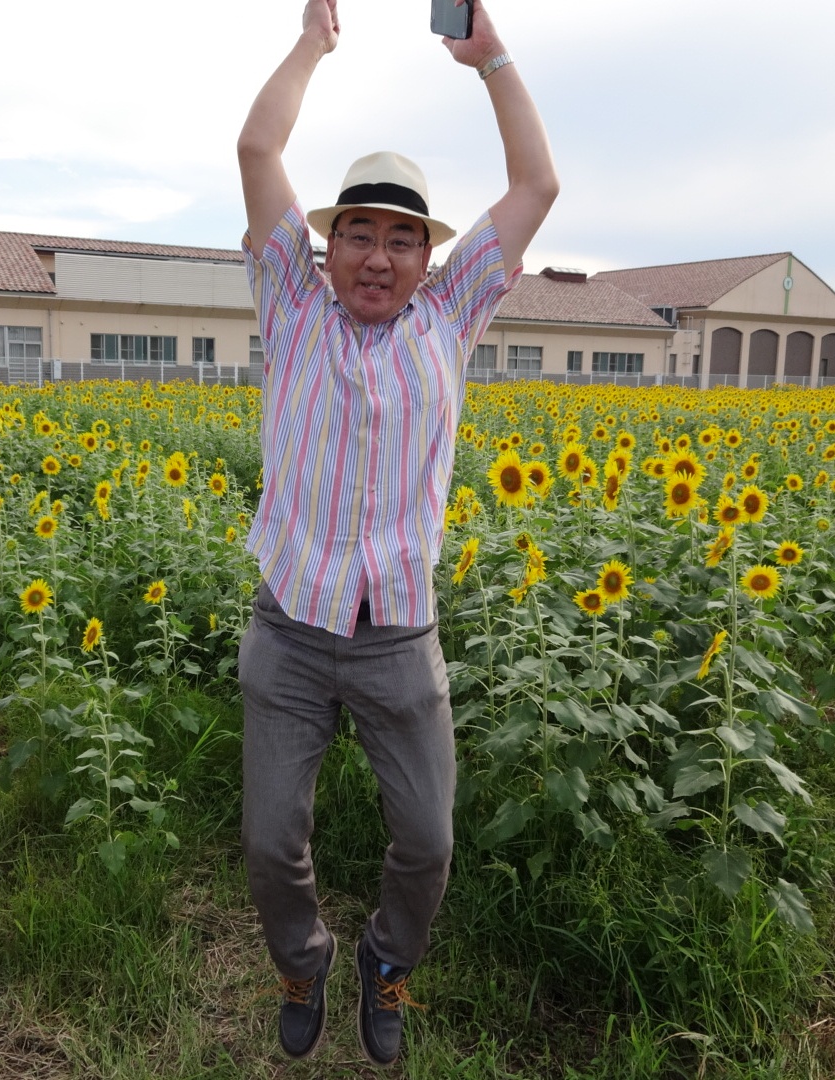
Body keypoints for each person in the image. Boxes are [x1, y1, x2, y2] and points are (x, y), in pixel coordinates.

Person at [236, 0, 558, 1067]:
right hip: (289, 628)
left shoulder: (452, 317)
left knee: (427, 842)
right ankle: (301, 962)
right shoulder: (288, 303)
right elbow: (258, 146)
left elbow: (535, 188)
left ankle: (387, 960)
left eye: (402, 237)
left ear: (430, 259)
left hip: (397, 635)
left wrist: (490, 58)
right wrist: (314, 44)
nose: (379, 256)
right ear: (328, 251)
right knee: (270, 841)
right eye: (360, 234)